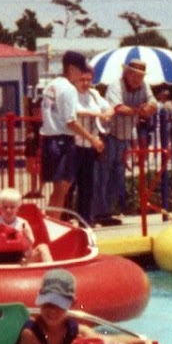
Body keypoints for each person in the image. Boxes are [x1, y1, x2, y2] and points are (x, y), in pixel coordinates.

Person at [99, 57, 158, 225]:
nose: (137, 79)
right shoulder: (115, 86)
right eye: (134, 75)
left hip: (124, 137)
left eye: (140, 75)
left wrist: (148, 108)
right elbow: (118, 108)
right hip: (108, 135)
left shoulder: (144, 86)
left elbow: (153, 104)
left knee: (116, 175)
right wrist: (140, 111)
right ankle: (99, 213)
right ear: (127, 73)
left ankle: (107, 212)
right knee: (103, 175)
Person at [39, 51, 96, 209]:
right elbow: (71, 122)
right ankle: (52, 230)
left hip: (49, 140)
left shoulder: (51, 85)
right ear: (71, 68)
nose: (83, 73)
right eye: (81, 69)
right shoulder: (69, 89)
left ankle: (51, 226)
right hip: (63, 141)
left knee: (57, 192)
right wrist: (92, 139)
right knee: (61, 190)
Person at [71, 62, 109, 224]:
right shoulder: (70, 93)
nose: (85, 83)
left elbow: (109, 108)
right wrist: (94, 113)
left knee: (87, 186)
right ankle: (65, 219)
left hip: (90, 146)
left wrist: (106, 114)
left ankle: (84, 220)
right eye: (82, 80)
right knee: (69, 185)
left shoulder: (93, 94)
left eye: (88, 80)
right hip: (74, 144)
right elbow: (73, 112)